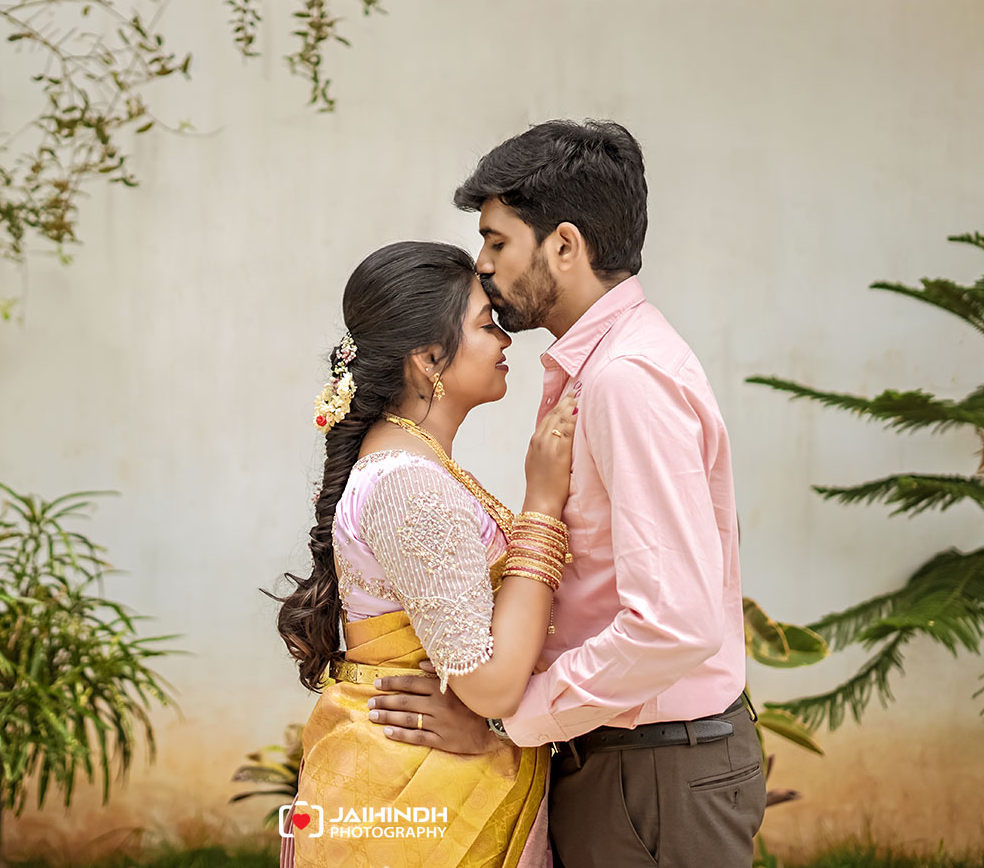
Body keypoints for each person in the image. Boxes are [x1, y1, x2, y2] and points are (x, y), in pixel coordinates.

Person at [369, 120, 766, 868]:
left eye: (497, 242)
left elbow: (675, 622)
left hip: (653, 772)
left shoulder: (625, 379)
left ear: (564, 246)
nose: (483, 266)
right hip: (628, 760)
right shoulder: (603, 367)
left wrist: (512, 719)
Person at [272, 240, 581, 867]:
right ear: (428, 358)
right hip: (419, 795)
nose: (506, 339)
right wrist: (543, 504)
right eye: (486, 324)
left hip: (420, 777)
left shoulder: (413, 467)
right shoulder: (408, 485)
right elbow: (489, 685)